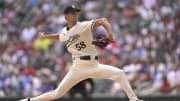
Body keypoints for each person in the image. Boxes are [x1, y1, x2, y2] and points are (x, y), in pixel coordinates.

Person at [20, 5, 144, 101]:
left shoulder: (83, 25)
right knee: (57, 93)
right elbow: (60, 36)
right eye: (72, 13)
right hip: (78, 67)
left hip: (94, 65)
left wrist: (110, 34)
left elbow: (103, 20)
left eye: (76, 13)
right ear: (66, 16)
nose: (75, 15)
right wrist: (46, 37)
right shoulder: (65, 31)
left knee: (120, 73)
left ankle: (134, 99)